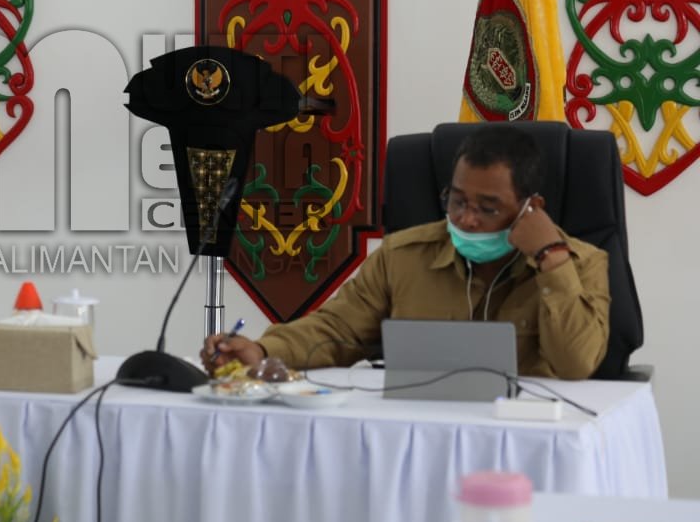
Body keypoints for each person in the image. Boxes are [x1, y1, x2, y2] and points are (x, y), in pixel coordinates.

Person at [203, 124, 611, 380]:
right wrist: (261, 349)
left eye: (487, 208)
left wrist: (551, 260)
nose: (466, 219)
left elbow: (575, 365)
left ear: (530, 208)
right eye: (457, 201)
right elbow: (335, 331)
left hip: (522, 441)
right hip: (415, 429)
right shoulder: (402, 256)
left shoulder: (581, 264)